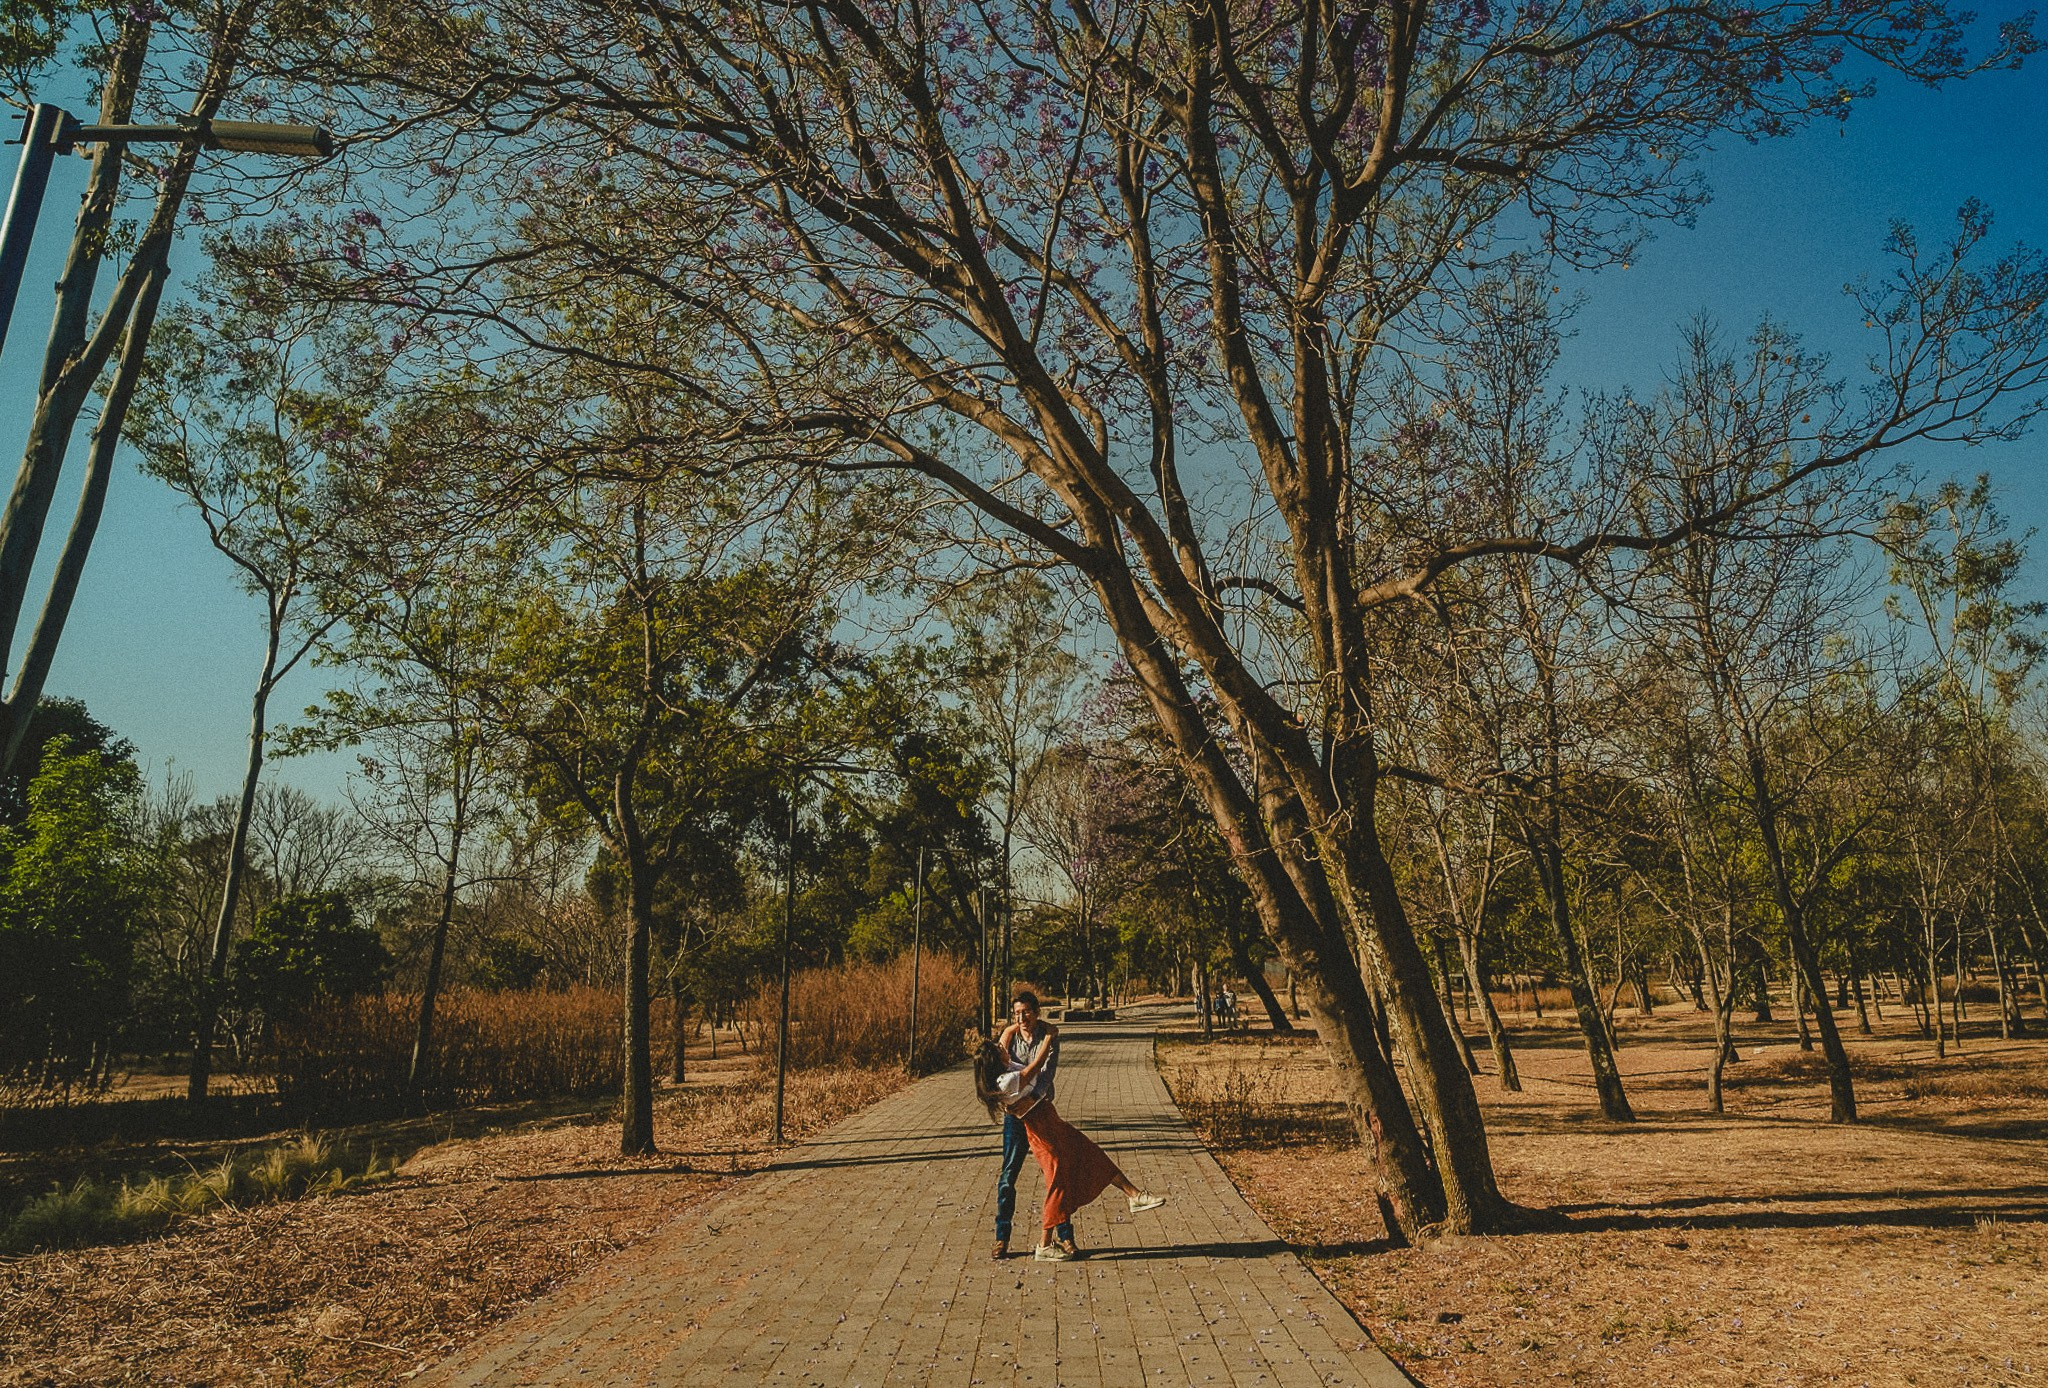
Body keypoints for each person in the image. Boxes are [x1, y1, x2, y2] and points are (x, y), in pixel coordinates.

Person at [975, 997, 1166, 1263]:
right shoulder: (1006, 1068)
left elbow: (1045, 1075)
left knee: (1086, 1156)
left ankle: (1121, 1203)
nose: (1020, 1018)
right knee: (1019, 1176)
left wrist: (1038, 1036)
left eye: (1026, 1012)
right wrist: (1046, 1037)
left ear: (1036, 1013)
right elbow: (1030, 1067)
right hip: (1029, 1123)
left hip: (1044, 1115)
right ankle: (1008, 1238)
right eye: (1016, 1013)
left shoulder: (1011, 1054)